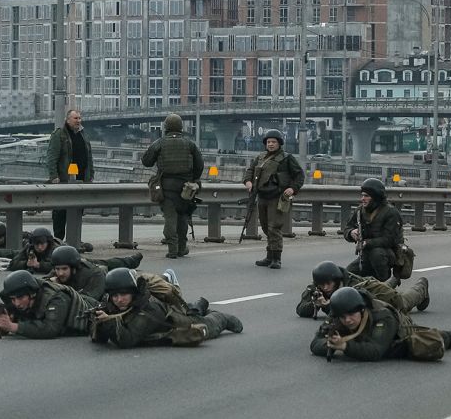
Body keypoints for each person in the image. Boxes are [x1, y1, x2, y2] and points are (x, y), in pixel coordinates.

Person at [311, 286, 451, 362]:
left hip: (399, 334)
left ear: (361, 310)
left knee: (422, 344)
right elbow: (315, 343)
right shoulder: (337, 313)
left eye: (351, 315)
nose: (347, 320)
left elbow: (375, 351)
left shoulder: (382, 316)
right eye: (342, 316)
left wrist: (345, 347)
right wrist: (331, 344)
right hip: (363, 339)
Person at [90, 267, 242, 348]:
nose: (119, 300)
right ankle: (198, 307)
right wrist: (97, 320)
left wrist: (107, 322)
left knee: (210, 325)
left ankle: (220, 316)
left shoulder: (148, 310)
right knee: (193, 310)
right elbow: (100, 339)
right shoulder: (111, 305)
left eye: (123, 295)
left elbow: (127, 340)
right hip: (164, 315)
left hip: (177, 322)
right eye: (115, 296)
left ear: (133, 293)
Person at [141, 112, 204, 259]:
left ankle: (172, 249)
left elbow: (146, 161)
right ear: (181, 127)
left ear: (166, 127)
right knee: (182, 216)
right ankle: (182, 248)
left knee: (170, 217)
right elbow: (199, 165)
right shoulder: (190, 144)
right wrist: (193, 179)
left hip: (167, 187)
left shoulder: (160, 143)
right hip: (186, 188)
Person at [241, 129, 304, 269]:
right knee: (265, 226)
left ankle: (277, 258)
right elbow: (250, 171)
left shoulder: (287, 158)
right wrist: (248, 182)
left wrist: (293, 188)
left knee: (274, 227)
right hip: (262, 195)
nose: (270, 144)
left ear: (279, 143)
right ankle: (269, 256)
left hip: (277, 197)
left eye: (273, 142)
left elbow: (299, 175)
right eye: (268, 142)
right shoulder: (261, 157)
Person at [296, 260, 429, 319]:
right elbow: (300, 309)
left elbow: (361, 309)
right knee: (386, 286)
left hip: (373, 292)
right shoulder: (318, 287)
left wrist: (327, 305)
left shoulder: (353, 285)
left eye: (328, 284)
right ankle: (394, 280)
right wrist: (314, 303)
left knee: (402, 302)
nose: (325, 288)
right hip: (371, 286)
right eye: (321, 284)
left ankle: (421, 286)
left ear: (336, 279)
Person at [0, 270, 96, 339]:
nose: (17, 303)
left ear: (32, 294)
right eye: (13, 299)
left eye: (20, 298)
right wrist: (3, 321)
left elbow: (50, 328)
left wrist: (14, 326)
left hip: (92, 313)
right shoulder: (20, 303)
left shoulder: (56, 298)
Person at [343, 178, 404, 281]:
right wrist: (351, 233)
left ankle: (384, 281)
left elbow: (390, 239)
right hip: (365, 256)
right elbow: (347, 228)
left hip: (386, 254)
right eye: (362, 195)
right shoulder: (360, 211)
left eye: (366, 196)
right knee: (346, 276)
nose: (363, 199)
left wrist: (367, 243)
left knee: (377, 253)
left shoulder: (390, 212)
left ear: (375, 197)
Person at [46, 109, 94, 240]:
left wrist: (90, 176)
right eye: (75, 118)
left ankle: (74, 239)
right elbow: (52, 157)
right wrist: (54, 176)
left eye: (79, 118)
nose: (78, 121)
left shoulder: (83, 134)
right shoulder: (59, 134)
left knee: (78, 210)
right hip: (64, 180)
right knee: (60, 211)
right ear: (67, 120)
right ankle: (58, 240)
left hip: (81, 180)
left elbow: (89, 156)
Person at [46, 244, 141, 301]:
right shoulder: (59, 268)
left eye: (64, 269)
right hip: (85, 263)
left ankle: (131, 262)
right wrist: (50, 284)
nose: (60, 273)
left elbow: (90, 299)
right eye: (57, 269)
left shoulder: (95, 275)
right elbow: (41, 284)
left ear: (73, 268)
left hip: (103, 272)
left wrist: (62, 289)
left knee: (109, 264)